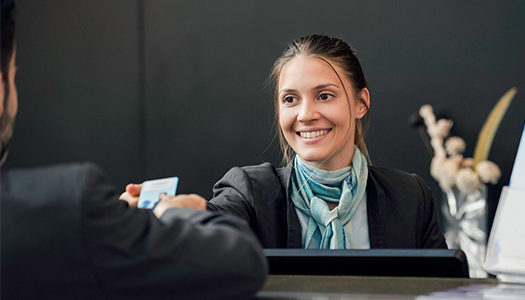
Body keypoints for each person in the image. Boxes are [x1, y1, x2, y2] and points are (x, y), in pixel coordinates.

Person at [0, 1, 267, 299]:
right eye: (13, 75)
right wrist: (173, 213)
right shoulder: (71, 204)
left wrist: (116, 226)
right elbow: (241, 264)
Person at [122, 35, 447, 250]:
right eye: (290, 99)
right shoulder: (249, 191)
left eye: (324, 95)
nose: (305, 114)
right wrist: (188, 210)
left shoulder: (411, 198)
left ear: (361, 102)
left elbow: (445, 292)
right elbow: (216, 221)